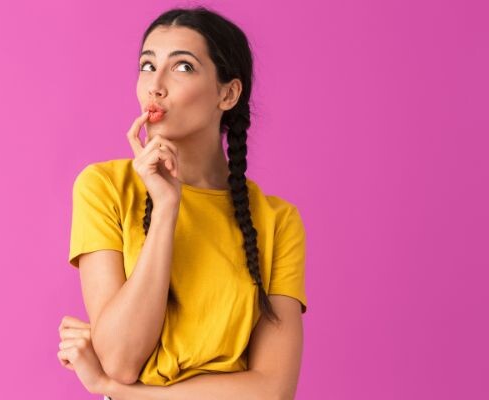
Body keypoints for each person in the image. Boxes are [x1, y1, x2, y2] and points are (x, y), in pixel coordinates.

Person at [58, 6, 308, 399]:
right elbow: (121, 359)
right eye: (146, 65)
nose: (154, 86)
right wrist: (166, 208)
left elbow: (272, 391)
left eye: (183, 67)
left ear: (228, 93)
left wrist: (114, 390)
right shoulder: (104, 186)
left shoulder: (277, 220)